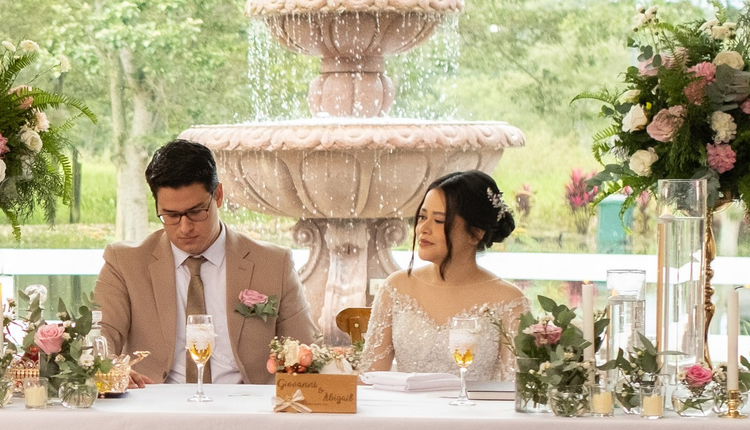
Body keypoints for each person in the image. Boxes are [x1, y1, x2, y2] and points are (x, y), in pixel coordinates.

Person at [95, 139, 313, 386]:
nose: (185, 227)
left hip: (247, 403)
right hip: (154, 401)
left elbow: (306, 348)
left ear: (218, 195)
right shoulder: (124, 263)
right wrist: (108, 365)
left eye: (196, 212)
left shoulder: (274, 264)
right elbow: (100, 333)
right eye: (171, 215)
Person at [362, 170, 529, 380]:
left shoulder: (509, 301)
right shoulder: (396, 288)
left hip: (477, 403)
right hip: (404, 403)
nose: (423, 228)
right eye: (422, 217)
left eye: (439, 221)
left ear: (476, 233)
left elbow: (516, 388)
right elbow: (369, 379)